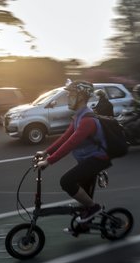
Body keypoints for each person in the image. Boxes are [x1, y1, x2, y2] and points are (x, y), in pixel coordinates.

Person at [35, 80, 111, 224]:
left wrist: (49, 161)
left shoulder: (87, 120)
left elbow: (71, 143)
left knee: (67, 181)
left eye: (71, 95)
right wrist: (46, 152)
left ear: (81, 97)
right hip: (87, 160)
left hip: (97, 160)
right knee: (83, 194)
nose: (68, 98)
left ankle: (94, 208)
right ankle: (84, 223)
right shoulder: (78, 116)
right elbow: (65, 137)